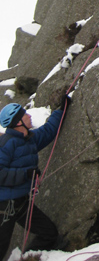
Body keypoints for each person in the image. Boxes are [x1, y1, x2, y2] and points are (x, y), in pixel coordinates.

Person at [0, 98, 70, 260]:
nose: (29, 116)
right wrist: (25, 175)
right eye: (24, 115)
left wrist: (61, 109)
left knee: (49, 234)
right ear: (17, 123)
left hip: (21, 203)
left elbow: (48, 131)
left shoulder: (29, 139)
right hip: (4, 206)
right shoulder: (6, 144)